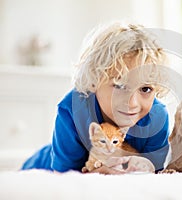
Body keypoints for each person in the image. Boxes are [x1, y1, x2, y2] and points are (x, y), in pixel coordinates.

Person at [21, 22, 170, 174]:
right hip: (41, 165)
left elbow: (154, 172)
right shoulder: (73, 109)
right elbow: (64, 176)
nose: (132, 103)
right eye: (119, 86)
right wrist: (100, 173)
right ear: (93, 81)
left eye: (146, 89)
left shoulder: (157, 118)